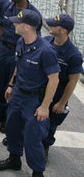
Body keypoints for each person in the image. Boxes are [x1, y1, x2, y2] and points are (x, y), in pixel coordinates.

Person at [0, 10, 60, 177]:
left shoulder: (46, 51)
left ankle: (37, 172)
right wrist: (11, 84)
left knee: (32, 138)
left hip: (34, 100)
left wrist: (44, 106)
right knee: (12, 129)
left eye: (17, 22)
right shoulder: (22, 41)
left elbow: (54, 79)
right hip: (18, 95)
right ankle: (14, 159)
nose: (13, 24)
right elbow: (19, 63)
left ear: (27, 26)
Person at [0, 0, 42, 132]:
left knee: (13, 86)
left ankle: (9, 116)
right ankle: (0, 111)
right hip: (3, 48)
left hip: (19, 52)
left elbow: (35, 40)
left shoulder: (33, 14)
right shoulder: (7, 6)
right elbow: (0, 29)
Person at [42, 14, 83, 157]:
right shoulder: (46, 41)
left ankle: (45, 146)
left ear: (63, 30)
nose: (50, 26)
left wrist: (62, 103)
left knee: (51, 123)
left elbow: (72, 81)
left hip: (57, 94)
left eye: (54, 25)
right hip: (41, 89)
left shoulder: (74, 55)